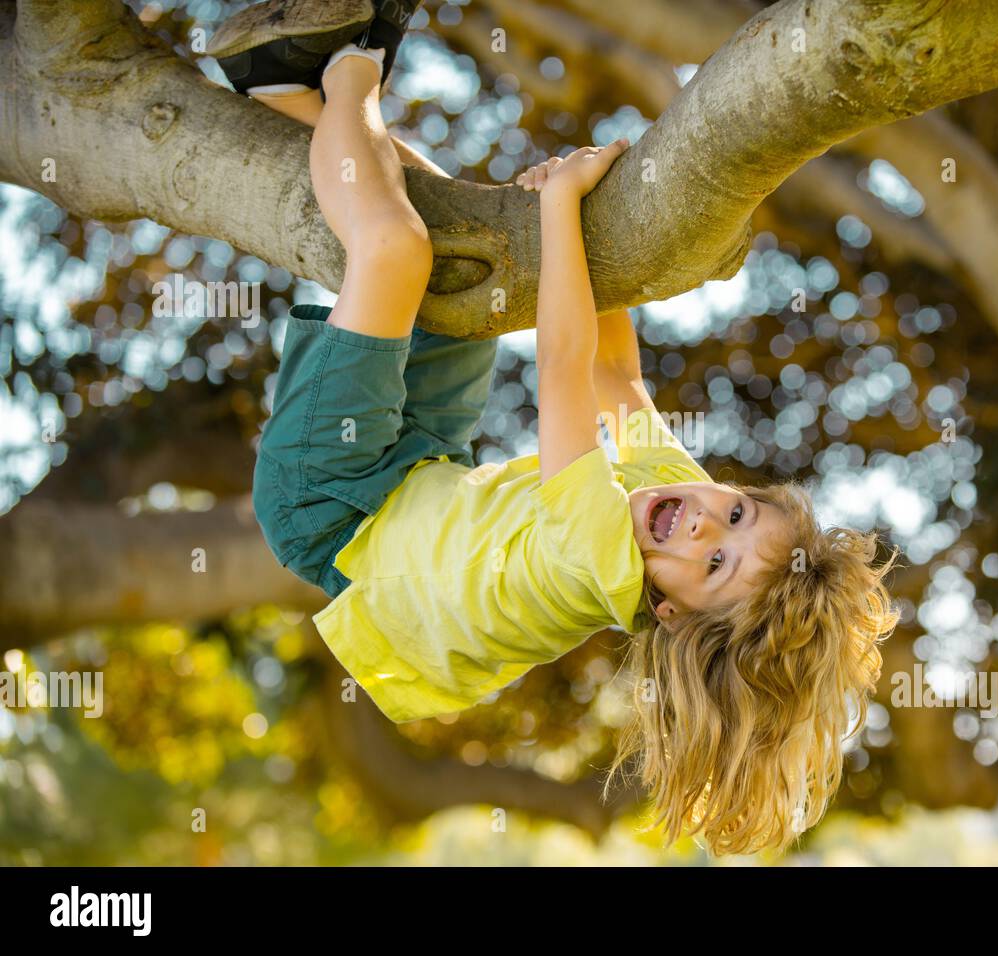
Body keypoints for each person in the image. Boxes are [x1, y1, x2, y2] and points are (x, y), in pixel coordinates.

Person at [215, 0, 897, 855]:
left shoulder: (598, 561)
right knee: (471, 250)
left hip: (331, 506)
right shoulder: (673, 502)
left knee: (393, 251)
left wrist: (562, 206)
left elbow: (567, 365)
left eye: (714, 564)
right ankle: (282, 94)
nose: (701, 523)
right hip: (419, 472)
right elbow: (617, 375)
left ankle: (353, 62)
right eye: (738, 511)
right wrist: (577, 228)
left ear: (677, 616)